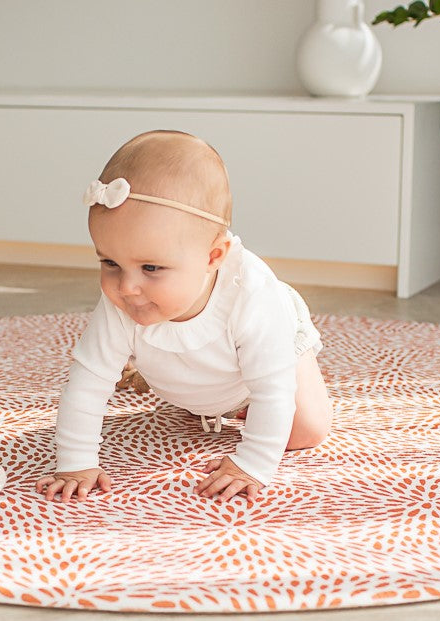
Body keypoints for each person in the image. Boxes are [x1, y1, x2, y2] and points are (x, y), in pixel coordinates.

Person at [36, 130, 332, 503]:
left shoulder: (253, 298)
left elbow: (274, 391)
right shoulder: (130, 297)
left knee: (306, 430)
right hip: (195, 369)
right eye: (109, 262)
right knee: (164, 370)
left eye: (151, 267)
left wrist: (251, 463)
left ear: (213, 258)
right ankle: (161, 374)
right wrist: (76, 461)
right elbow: (87, 381)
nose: (126, 287)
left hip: (273, 347)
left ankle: (241, 399)